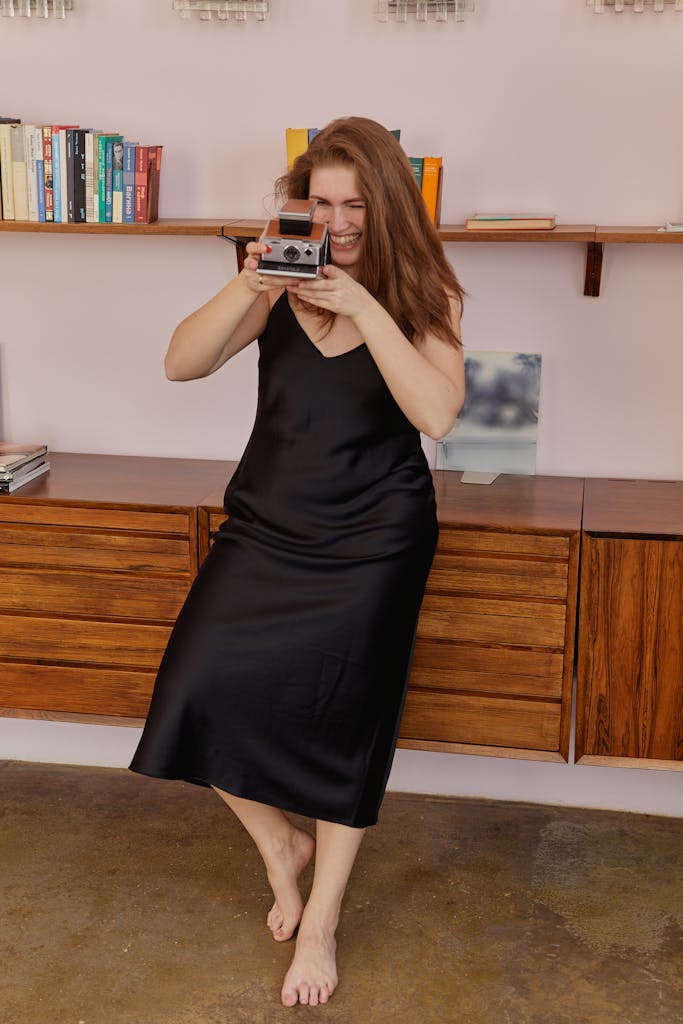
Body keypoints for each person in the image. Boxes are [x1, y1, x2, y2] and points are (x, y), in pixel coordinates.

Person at [129, 116, 465, 1007]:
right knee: (193, 689)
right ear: (295, 205)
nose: (339, 220)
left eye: (356, 203)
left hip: (375, 539)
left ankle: (318, 923)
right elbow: (179, 364)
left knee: (347, 726)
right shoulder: (274, 286)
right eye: (320, 201)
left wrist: (364, 307)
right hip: (267, 525)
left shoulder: (425, 291)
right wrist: (247, 284)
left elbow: (435, 415)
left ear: (387, 205)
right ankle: (282, 845)